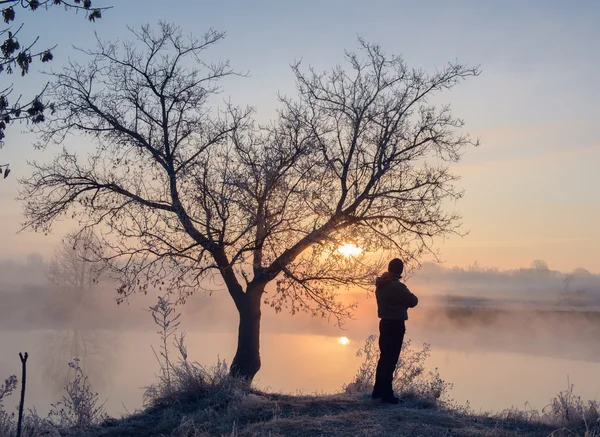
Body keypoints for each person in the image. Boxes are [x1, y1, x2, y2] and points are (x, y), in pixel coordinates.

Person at [372, 258, 419, 404]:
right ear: (400, 270)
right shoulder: (397, 286)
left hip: (384, 323)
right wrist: (402, 303)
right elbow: (413, 301)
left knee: (384, 357)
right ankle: (387, 394)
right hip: (396, 325)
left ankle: (378, 391)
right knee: (391, 359)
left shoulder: (380, 285)